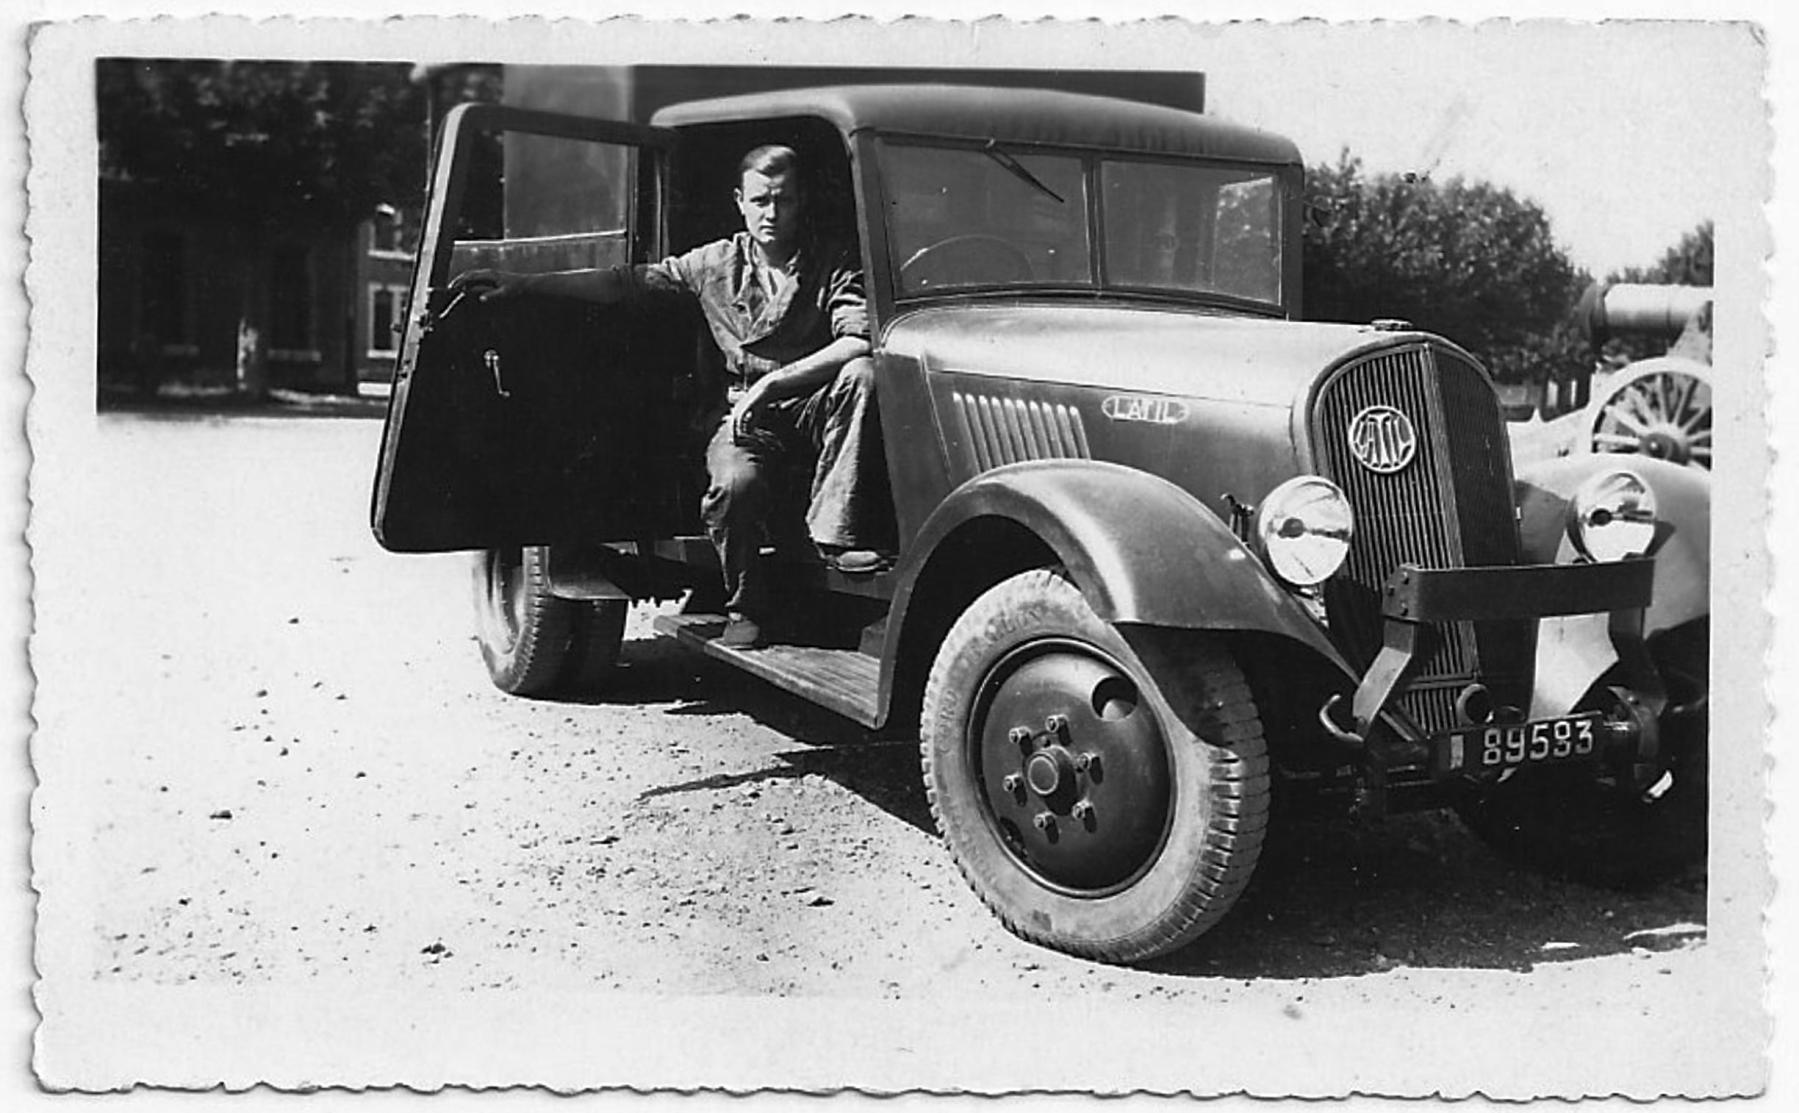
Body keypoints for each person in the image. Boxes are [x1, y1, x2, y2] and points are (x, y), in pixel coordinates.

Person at [452, 144, 892, 649]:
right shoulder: (714, 264)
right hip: (745, 417)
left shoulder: (832, 260)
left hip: (811, 405)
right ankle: (744, 605)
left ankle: (838, 535)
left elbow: (857, 338)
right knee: (735, 486)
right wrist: (522, 285)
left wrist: (775, 381)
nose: (771, 213)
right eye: (760, 200)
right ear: (740, 202)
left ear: (802, 202)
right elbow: (628, 284)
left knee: (861, 372)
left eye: (784, 201)